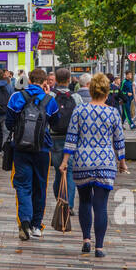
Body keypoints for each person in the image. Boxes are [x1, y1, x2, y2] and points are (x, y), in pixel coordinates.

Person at [61, 73, 127, 257]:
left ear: (90, 90)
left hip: (83, 162)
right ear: (107, 92)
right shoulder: (113, 113)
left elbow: (71, 138)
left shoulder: (79, 111)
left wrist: (65, 161)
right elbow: (119, 140)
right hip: (105, 162)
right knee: (101, 205)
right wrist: (122, 162)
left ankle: (86, 240)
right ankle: (99, 247)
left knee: (84, 201)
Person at [5, 67, 62, 240]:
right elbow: (56, 123)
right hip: (43, 149)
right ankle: (37, 225)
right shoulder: (50, 100)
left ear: (29, 80)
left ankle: (25, 221)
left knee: (22, 186)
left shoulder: (16, 97)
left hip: (21, 149)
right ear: (45, 82)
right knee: (40, 186)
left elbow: (9, 123)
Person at [47, 68, 80, 217]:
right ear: (69, 79)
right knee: (70, 172)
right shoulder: (76, 97)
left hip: (54, 138)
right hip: (71, 139)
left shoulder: (50, 96)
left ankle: (60, 200)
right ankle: (69, 204)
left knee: (58, 172)